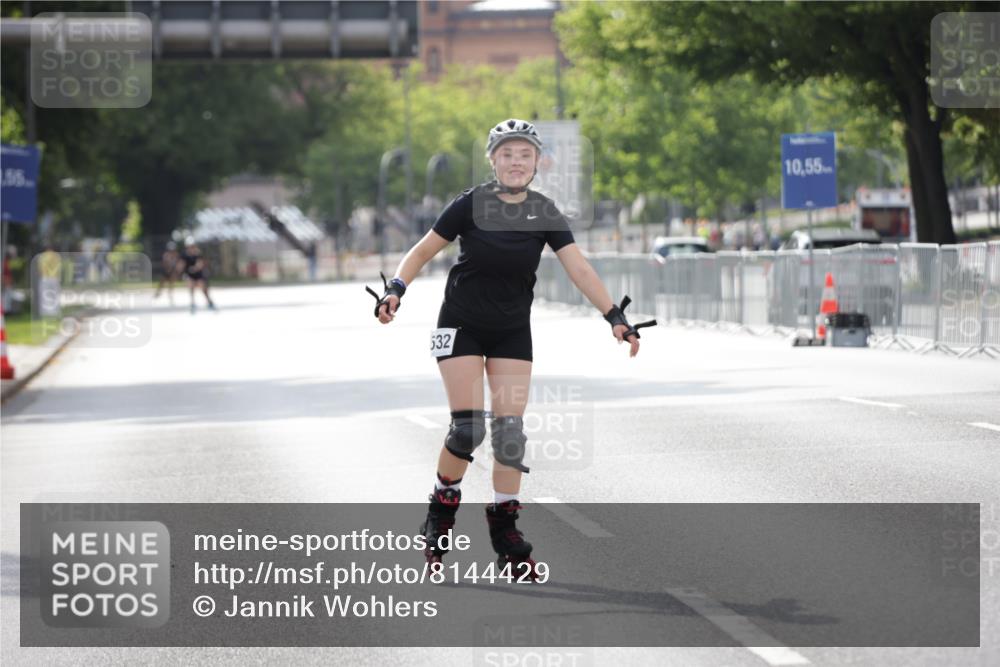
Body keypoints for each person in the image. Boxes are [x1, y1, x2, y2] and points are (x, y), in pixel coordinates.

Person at [367, 119, 654, 578]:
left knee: (510, 435)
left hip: (510, 330)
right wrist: (396, 288)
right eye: (507, 154)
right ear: (493, 160)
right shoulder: (469, 204)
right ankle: (439, 513)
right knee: (468, 431)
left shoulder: (545, 212)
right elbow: (422, 251)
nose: (516, 162)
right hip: (460, 324)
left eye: (524, 155)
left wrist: (614, 318)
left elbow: (579, 269)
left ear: (538, 162)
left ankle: (505, 532)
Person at [181, 238, 216, 314]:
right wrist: (182, 271)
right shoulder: (184, 254)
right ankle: (193, 303)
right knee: (191, 286)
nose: (191, 247)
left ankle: (209, 302)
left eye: (192, 246)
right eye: (190, 246)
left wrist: (195, 268)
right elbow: (182, 264)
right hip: (189, 274)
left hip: (198, 274)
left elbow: (200, 263)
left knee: (203, 288)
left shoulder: (198, 253)